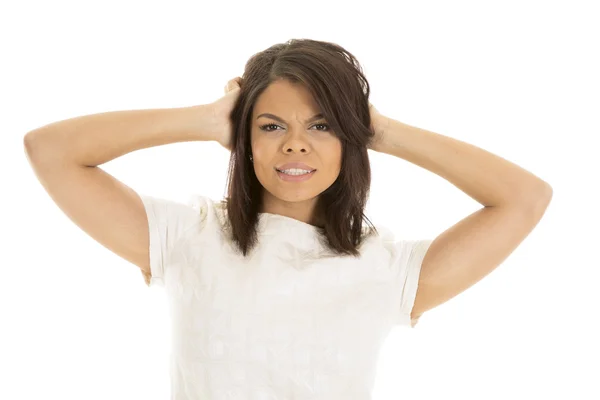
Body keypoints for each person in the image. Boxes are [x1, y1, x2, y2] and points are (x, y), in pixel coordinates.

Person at [24, 38, 552, 399]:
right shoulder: (189, 237)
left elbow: (525, 198)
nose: (296, 142)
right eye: (272, 125)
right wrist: (207, 119)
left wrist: (377, 128)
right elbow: (49, 151)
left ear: (350, 139)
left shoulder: (386, 269)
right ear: (244, 138)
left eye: (321, 125)